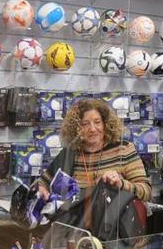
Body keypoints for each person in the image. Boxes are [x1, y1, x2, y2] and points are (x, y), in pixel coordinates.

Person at [36, 99, 152, 231]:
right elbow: (42, 183)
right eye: (85, 124)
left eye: (97, 122)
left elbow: (146, 191)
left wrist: (121, 184)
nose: (92, 129)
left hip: (117, 235)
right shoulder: (70, 154)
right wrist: (41, 190)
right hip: (79, 235)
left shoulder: (123, 149)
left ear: (106, 124)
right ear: (77, 128)